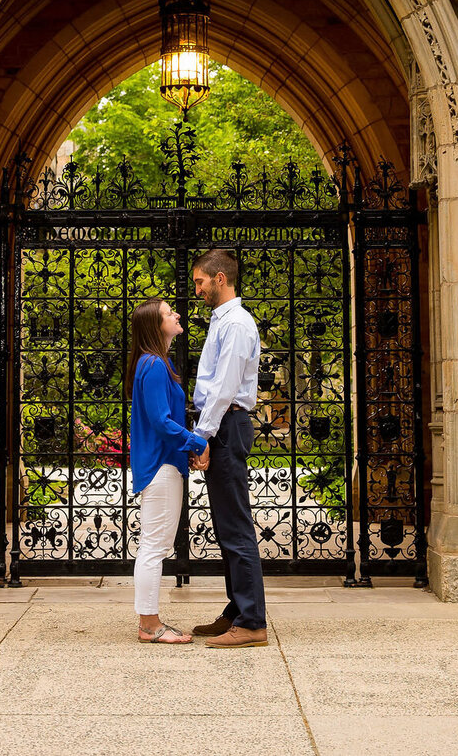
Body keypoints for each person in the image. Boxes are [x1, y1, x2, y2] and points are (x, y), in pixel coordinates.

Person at [189, 248, 267, 648]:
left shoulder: (235, 324)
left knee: (235, 526)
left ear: (220, 279)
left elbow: (222, 388)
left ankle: (253, 622)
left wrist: (203, 434)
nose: (197, 289)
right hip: (223, 423)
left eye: (200, 281)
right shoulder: (223, 322)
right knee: (225, 525)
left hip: (227, 424)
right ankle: (236, 610)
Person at [127, 296, 208, 644]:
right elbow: (161, 421)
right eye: (167, 313)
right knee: (154, 547)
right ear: (154, 325)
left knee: (156, 545)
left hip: (165, 464)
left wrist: (185, 447)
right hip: (160, 467)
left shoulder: (158, 363)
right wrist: (197, 442)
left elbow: (165, 420)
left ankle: (151, 620)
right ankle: (149, 625)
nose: (176, 314)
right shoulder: (154, 365)